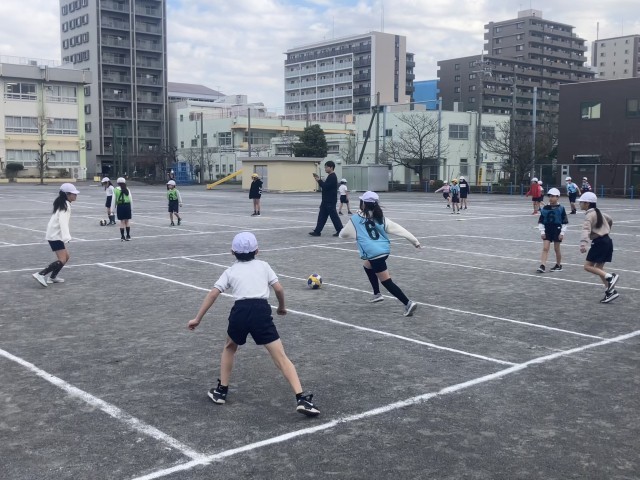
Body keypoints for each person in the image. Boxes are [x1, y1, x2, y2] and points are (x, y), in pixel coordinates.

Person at [187, 232, 320, 416]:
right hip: (260, 311)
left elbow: (213, 294)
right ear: (257, 251)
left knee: (229, 347)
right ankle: (301, 398)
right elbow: (279, 288)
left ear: (232, 252)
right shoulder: (264, 266)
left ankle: (221, 391)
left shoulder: (230, 271)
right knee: (280, 357)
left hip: (240, 312)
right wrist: (282, 307)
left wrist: (197, 318)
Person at [339, 191, 421, 316]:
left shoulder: (355, 219)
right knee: (367, 266)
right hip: (384, 251)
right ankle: (377, 294)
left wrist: (351, 232)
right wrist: (415, 241)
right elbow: (400, 229)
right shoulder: (381, 218)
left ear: (363, 204)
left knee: (386, 281)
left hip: (375, 254)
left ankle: (408, 303)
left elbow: (343, 234)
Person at [32, 183, 79, 287]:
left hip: (54, 234)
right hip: (55, 236)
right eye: (73, 194)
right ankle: (40, 274)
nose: (76, 195)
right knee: (62, 259)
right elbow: (63, 222)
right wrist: (66, 237)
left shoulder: (63, 203)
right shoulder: (65, 205)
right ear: (67, 194)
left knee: (66, 257)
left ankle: (52, 278)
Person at [578, 192, 619, 303]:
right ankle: (610, 292)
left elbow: (586, 230)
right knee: (599, 269)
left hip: (599, 242)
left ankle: (610, 277)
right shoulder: (599, 212)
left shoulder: (589, 215)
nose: (580, 204)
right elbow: (610, 219)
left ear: (587, 203)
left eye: (581, 202)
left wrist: (583, 244)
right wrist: (606, 230)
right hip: (607, 241)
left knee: (587, 266)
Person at [536, 188, 568, 273]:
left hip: (557, 229)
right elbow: (541, 221)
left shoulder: (561, 208)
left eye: (553, 196)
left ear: (557, 197)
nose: (551, 198)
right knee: (545, 248)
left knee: (557, 249)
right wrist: (542, 231)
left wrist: (562, 233)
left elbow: (565, 222)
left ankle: (558, 265)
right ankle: (542, 265)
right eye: (550, 196)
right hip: (547, 229)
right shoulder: (545, 208)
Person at [309, 160, 342, 237]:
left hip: (330, 200)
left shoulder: (332, 177)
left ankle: (340, 230)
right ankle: (317, 231)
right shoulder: (330, 176)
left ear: (331, 167)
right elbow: (326, 186)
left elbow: (325, 187)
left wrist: (319, 181)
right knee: (322, 216)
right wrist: (320, 181)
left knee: (334, 216)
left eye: (326, 167)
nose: (325, 169)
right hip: (326, 200)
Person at [114, 177, 133, 241]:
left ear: (118, 183)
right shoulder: (127, 189)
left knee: (122, 221)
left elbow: (114, 200)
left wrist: (112, 209)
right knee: (127, 221)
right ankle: (128, 236)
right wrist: (131, 208)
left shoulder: (116, 189)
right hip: (127, 206)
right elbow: (130, 199)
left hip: (120, 206)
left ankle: (122, 236)